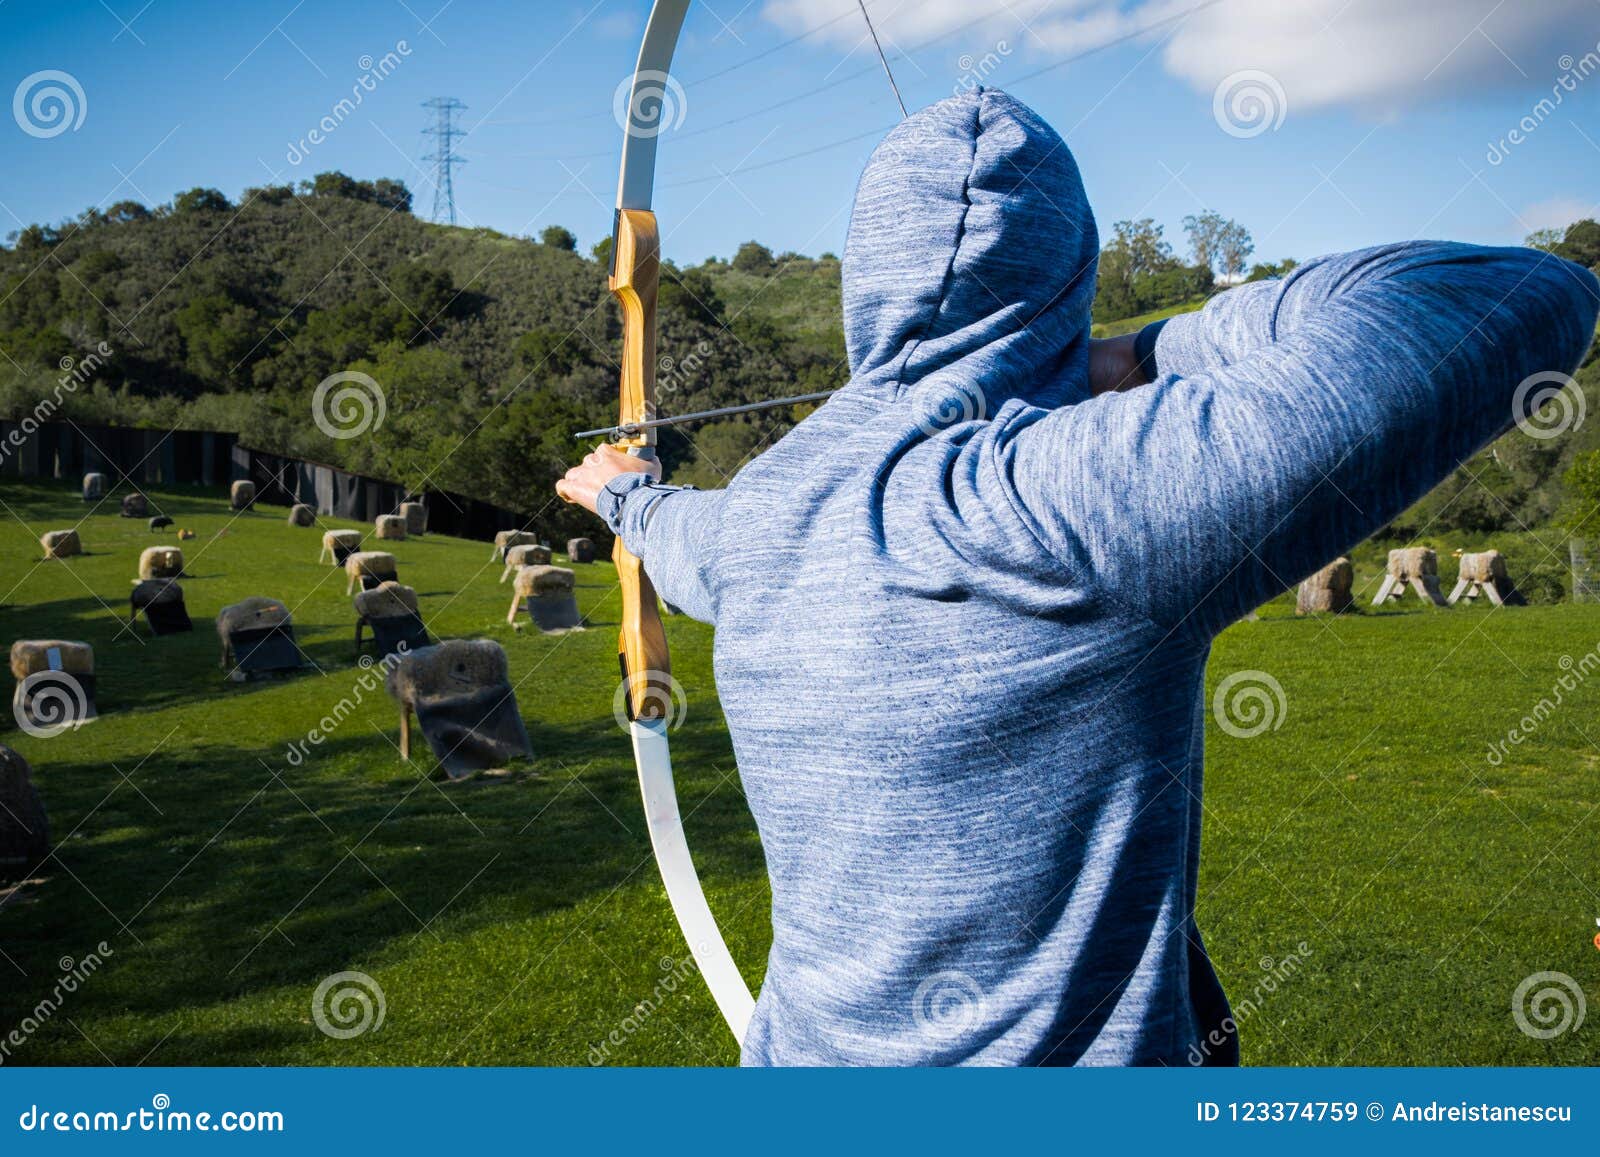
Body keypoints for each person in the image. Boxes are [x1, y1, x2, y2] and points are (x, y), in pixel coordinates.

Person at [557, 88, 1599, 1065]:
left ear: (862, 273)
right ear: (1062, 278)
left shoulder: (762, 512)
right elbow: (1522, 294)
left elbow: (679, 534)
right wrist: (1134, 356)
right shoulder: (1067, 494)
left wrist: (617, 494)